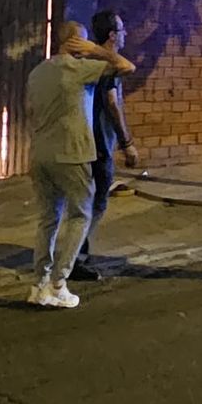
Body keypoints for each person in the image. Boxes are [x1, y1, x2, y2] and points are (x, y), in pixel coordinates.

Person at [24, 21, 134, 306]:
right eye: (82, 43)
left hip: (41, 153)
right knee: (80, 215)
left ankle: (39, 284)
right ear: (75, 42)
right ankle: (60, 282)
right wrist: (97, 49)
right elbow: (126, 67)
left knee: (47, 219)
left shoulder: (38, 72)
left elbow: (29, 111)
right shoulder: (77, 69)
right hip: (73, 154)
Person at [65, 10, 139, 282]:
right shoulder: (109, 65)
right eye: (121, 30)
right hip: (100, 142)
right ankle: (75, 258)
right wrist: (127, 142)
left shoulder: (91, 61)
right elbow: (111, 103)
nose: (125, 34)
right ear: (112, 35)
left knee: (85, 201)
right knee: (95, 203)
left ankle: (73, 255)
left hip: (89, 140)